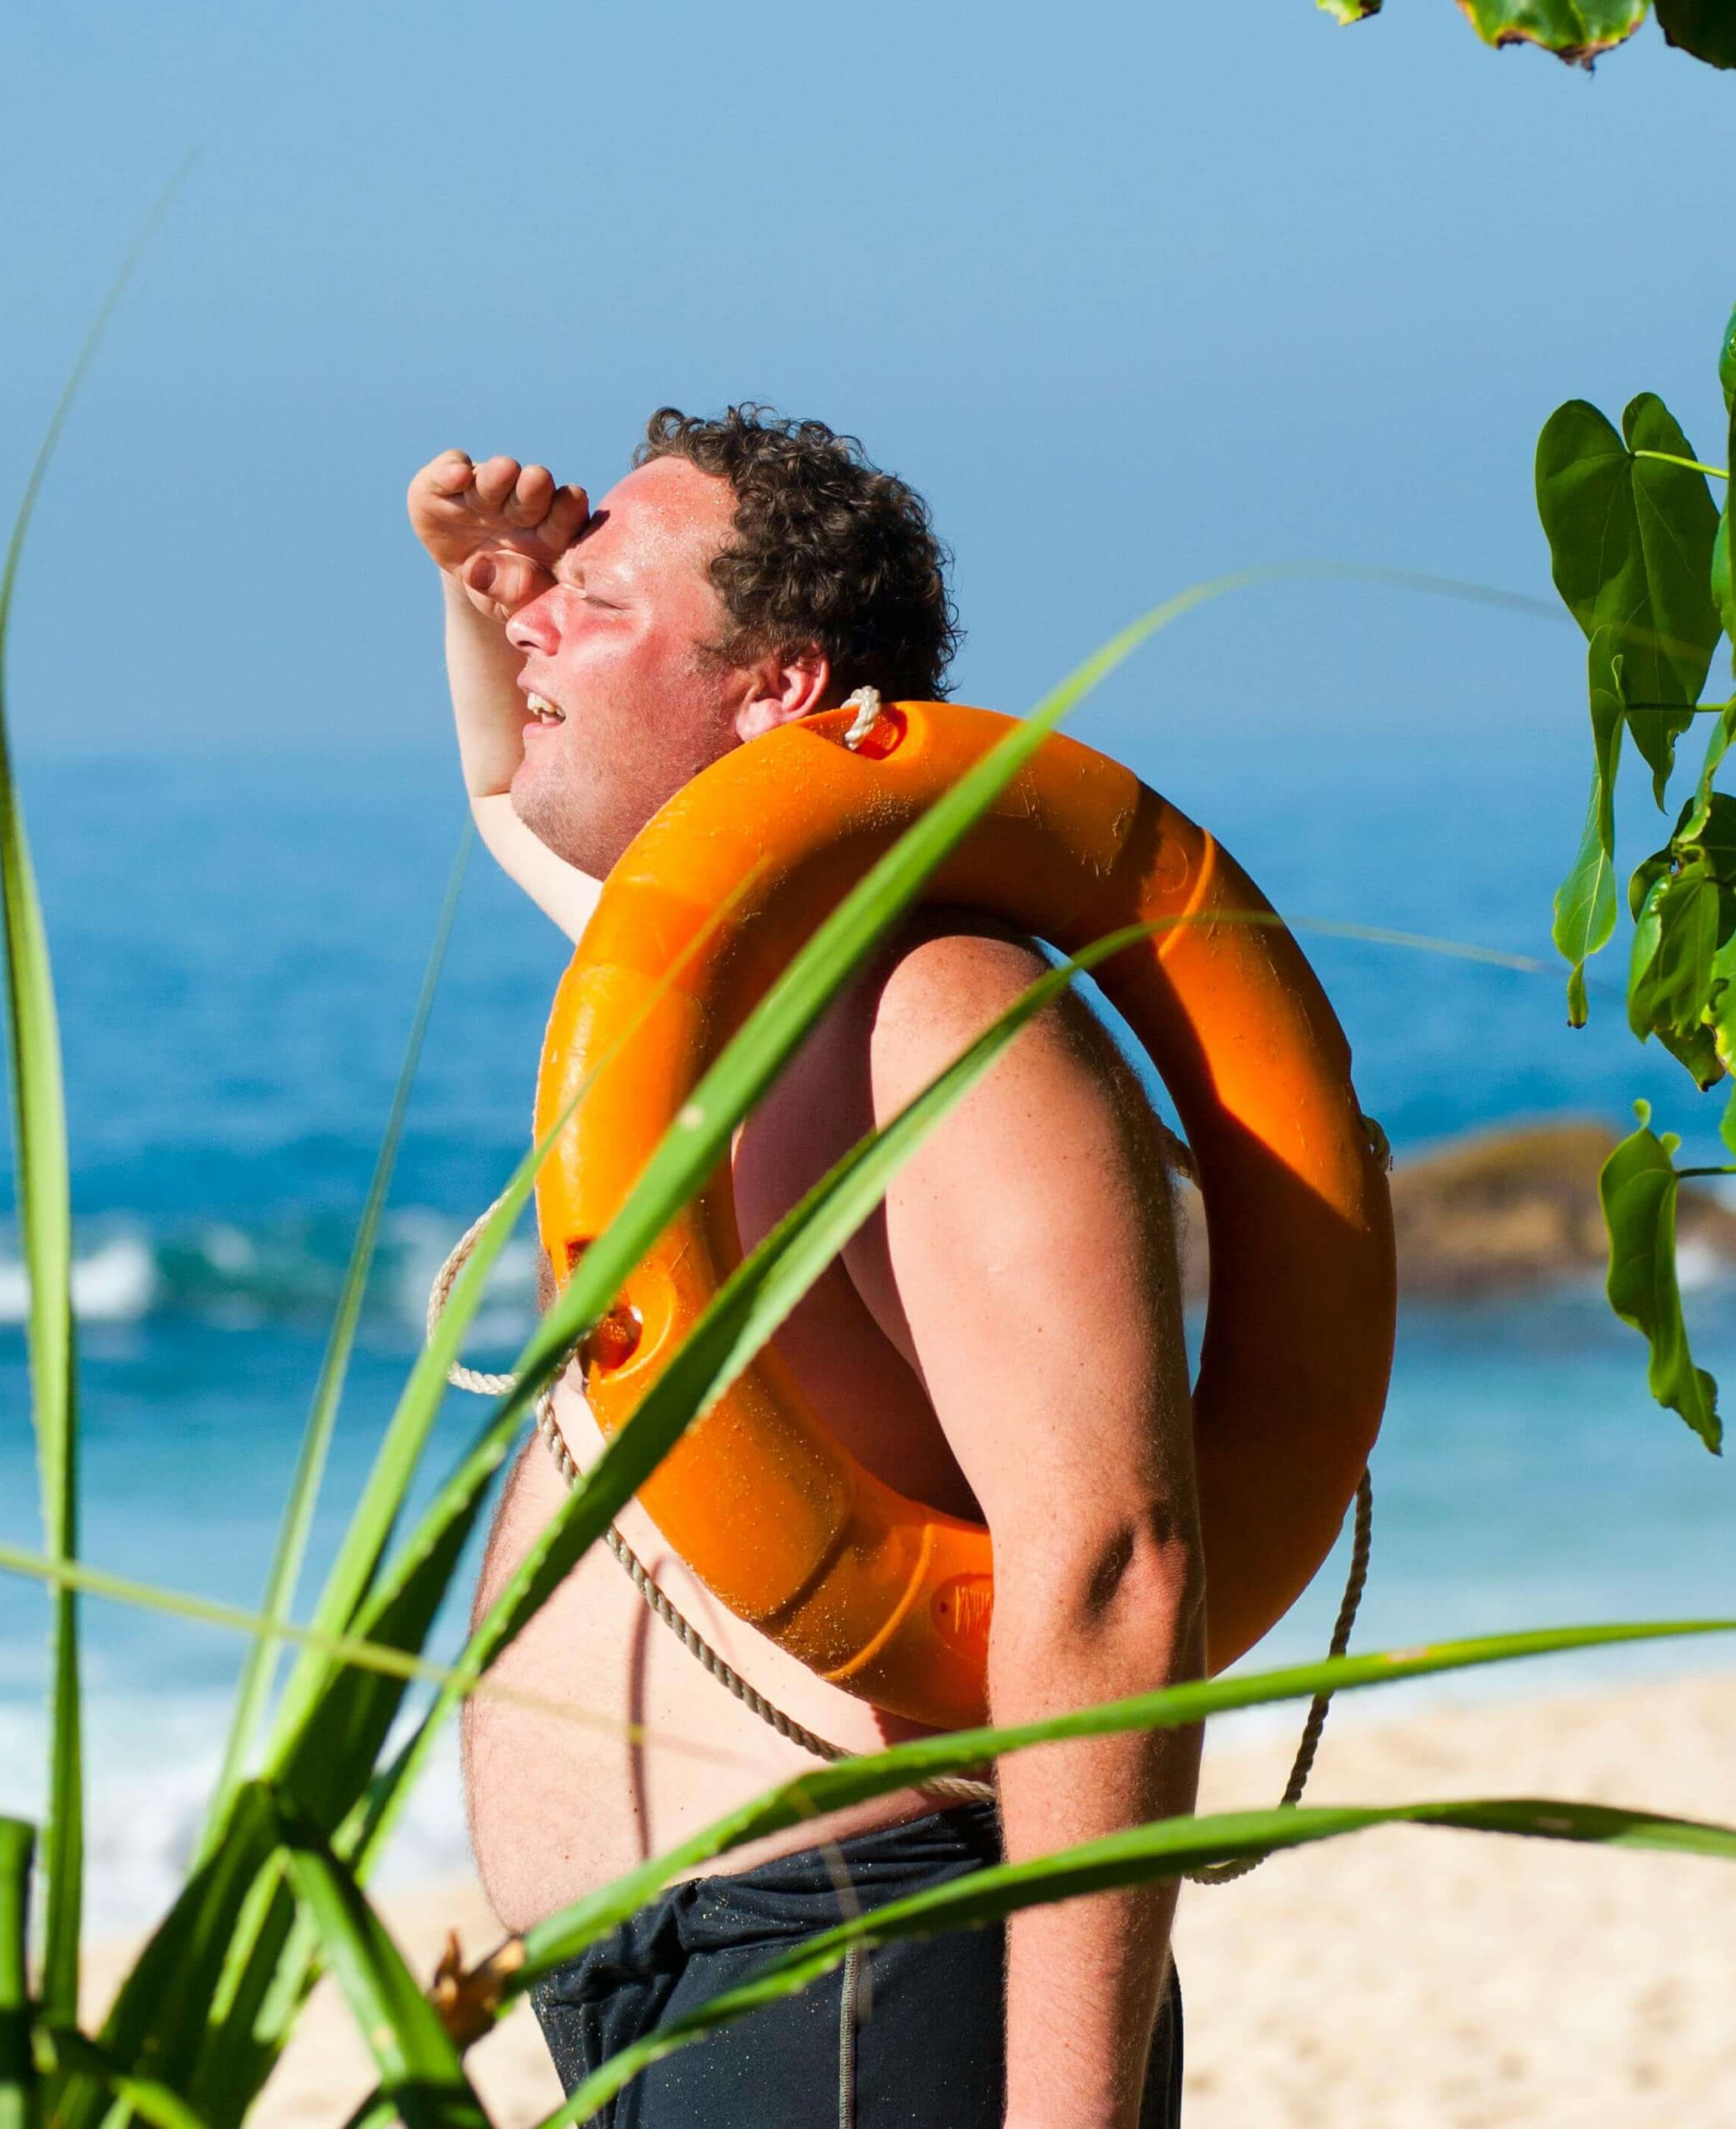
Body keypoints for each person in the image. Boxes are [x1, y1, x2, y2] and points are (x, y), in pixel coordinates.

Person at [413, 407, 1198, 2129]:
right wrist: (484, 587)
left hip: (866, 1946)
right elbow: (500, 788)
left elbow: (1116, 1569)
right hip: (656, 1993)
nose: (539, 623)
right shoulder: (694, 998)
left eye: (598, 603)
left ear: (777, 690)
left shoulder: (934, 1017)